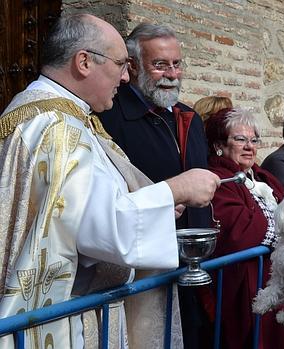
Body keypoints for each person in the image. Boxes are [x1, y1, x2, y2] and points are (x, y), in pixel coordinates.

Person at [0, 13, 219, 348]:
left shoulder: (54, 114)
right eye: (121, 64)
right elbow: (100, 230)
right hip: (61, 317)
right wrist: (175, 189)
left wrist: (156, 203)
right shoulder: (57, 129)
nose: (127, 75)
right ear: (84, 62)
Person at [96, 23, 213, 348]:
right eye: (160, 64)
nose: (172, 74)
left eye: (177, 64)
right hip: (141, 273)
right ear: (132, 67)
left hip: (191, 268)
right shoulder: (109, 118)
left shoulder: (190, 117)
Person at [202, 108, 284, 349]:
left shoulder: (262, 176)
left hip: (277, 281)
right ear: (219, 146)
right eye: (240, 139)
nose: (249, 147)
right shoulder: (217, 179)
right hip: (246, 285)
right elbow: (242, 231)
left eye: (254, 140)